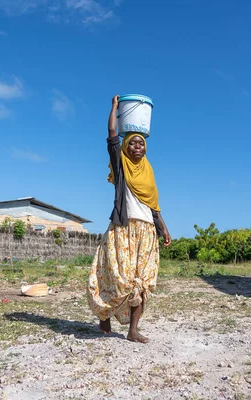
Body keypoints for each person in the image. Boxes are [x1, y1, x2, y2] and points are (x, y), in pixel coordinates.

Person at [86, 95, 171, 343]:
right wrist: (114, 108)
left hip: (146, 232)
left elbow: (154, 207)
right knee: (115, 277)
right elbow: (113, 134)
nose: (137, 147)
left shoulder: (149, 171)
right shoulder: (121, 166)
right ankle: (105, 317)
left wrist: (164, 229)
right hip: (123, 229)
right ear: (126, 147)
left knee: (141, 281)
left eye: (141, 144)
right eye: (133, 143)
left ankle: (133, 331)